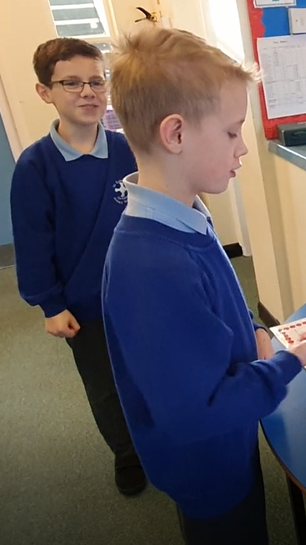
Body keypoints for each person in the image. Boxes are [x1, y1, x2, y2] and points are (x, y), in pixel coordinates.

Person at [102, 27, 306, 544]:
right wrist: (291, 362)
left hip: (227, 439)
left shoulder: (184, 215)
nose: (244, 148)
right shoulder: (150, 267)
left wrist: (266, 341)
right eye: (232, 132)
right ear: (175, 134)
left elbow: (213, 322)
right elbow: (200, 411)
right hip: (206, 465)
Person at [10, 38, 145, 495]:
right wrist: (49, 304)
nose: (88, 92)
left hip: (139, 293)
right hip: (84, 306)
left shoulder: (128, 150)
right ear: (45, 91)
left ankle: (158, 439)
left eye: (96, 80)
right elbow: (33, 243)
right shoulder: (35, 167)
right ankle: (127, 455)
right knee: (106, 388)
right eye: (71, 82)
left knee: (149, 370)